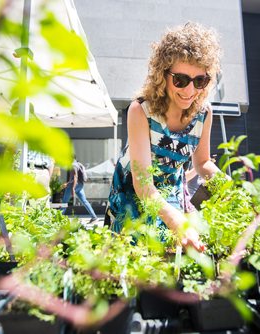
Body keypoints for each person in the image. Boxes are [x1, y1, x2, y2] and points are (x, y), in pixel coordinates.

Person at [106, 22, 223, 252]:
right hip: (133, 193)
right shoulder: (141, 111)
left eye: (199, 81)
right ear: (163, 74)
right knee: (131, 262)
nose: (189, 91)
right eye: (180, 80)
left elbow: (203, 163)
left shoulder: (204, 113)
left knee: (170, 259)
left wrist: (232, 190)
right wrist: (176, 221)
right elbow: (143, 184)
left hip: (171, 193)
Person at [62, 157, 98, 222]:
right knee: (84, 201)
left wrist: (72, 187)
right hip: (80, 185)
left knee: (64, 202)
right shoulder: (79, 164)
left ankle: (59, 218)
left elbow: (75, 177)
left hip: (73, 185)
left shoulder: (73, 165)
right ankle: (94, 217)